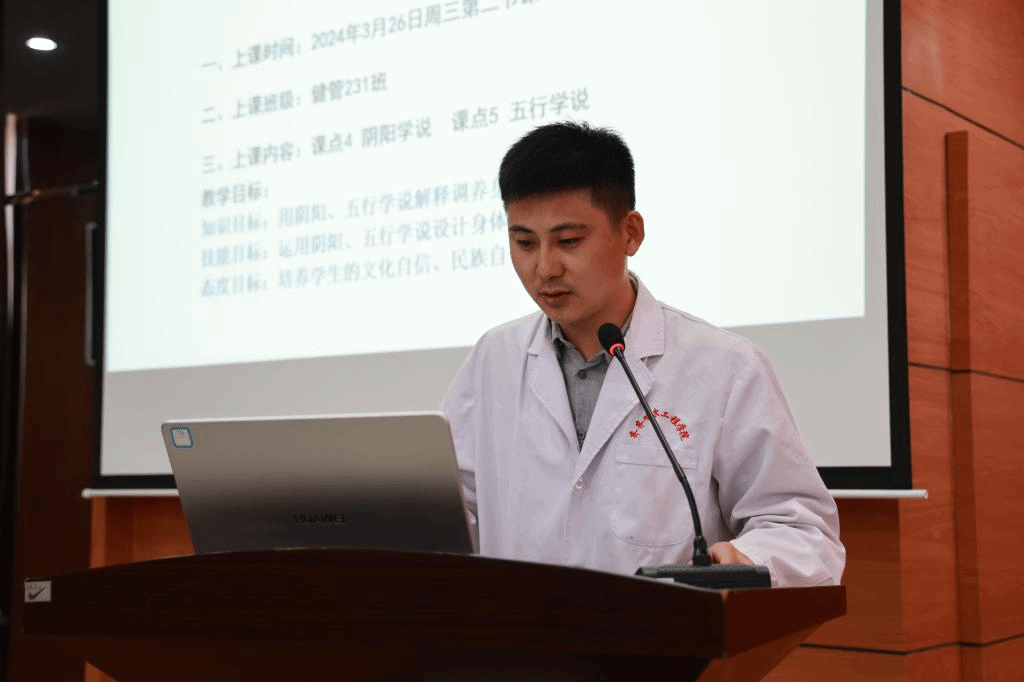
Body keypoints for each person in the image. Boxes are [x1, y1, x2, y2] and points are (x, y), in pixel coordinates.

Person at [442, 121, 844, 587]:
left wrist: (748, 559)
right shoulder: (493, 359)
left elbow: (801, 529)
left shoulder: (725, 366)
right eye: (524, 243)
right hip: (520, 629)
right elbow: (448, 509)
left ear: (631, 233)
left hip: (663, 631)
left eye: (568, 241)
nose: (545, 268)